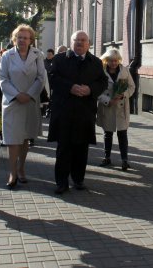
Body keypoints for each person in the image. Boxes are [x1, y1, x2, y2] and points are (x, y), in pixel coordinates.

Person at [47, 31, 107, 194]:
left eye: (83, 40)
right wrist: (70, 87)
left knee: (81, 148)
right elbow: (52, 78)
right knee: (64, 148)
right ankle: (61, 182)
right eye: (77, 40)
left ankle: (78, 180)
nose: (80, 43)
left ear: (88, 43)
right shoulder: (59, 59)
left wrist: (90, 89)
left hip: (84, 112)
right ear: (71, 42)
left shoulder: (95, 62)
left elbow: (103, 82)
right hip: (64, 111)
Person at [0, 25, 46, 189]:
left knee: (25, 137)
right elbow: (2, 78)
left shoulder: (37, 55)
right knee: (13, 139)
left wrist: (30, 94)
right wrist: (17, 95)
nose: (22, 40)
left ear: (31, 40)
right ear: (14, 39)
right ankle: (12, 172)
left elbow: (41, 77)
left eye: (26, 38)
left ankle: (21, 168)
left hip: (30, 101)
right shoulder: (7, 55)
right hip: (13, 102)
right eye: (19, 37)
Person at [96, 48, 136, 171]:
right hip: (108, 107)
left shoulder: (124, 70)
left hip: (121, 107)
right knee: (108, 133)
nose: (113, 63)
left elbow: (132, 86)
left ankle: (124, 160)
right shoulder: (101, 72)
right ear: (106, 61)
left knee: (122, 134)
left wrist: (124, 95)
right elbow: (96, 90)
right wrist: (107, 100)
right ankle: (107, 157)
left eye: (116, 60)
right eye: (111, 61)